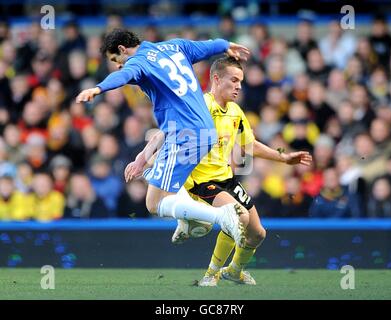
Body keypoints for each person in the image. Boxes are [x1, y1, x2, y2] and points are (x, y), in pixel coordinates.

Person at [125, 57, 312, 286]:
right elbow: (164, 132)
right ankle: (210, 275)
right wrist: (143, 159)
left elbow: (249, 144)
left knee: (258, 234)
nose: (239, 86)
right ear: (216, 79)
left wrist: (283, 157)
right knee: (239, 217)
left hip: (225, 179)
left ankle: (234, 271)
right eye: (234, 80)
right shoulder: (200, 105)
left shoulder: (234, 111)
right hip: (200, 182)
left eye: (241, 81)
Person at [76, 29, 251, 247]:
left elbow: (123, 76)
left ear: (123, 49)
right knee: (171, 188)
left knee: (154, 202)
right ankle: (188, 221)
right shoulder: (174, 46)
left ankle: (221, 216)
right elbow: (206, 47)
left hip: (184, 134)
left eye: (116, 59)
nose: (118, 65)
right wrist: (225, 45)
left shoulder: (138, 62)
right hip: (203, 132)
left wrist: (98, 88)